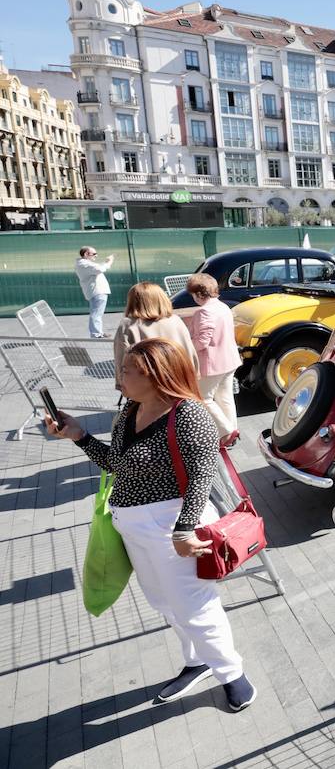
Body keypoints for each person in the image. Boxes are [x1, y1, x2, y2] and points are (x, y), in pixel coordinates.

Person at [46, 338, 258, 710]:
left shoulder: (190, 415)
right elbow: (118, 465)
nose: (119, 378)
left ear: (156, 375)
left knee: (195, 605)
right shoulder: (130, 409)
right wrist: (79, 436)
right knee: (163, 601)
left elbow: (202, 477)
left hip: (171, 524)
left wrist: (184, 530)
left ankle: (232, 674)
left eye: (127, 371)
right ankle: (197, 661)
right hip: (132, 524)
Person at [113, 282, 199, 394]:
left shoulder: (128, 325)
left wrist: (121, 384)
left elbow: (121, 357)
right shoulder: (175, 320)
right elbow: (188, 351)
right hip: (178, 382)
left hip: (146, 386)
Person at [184, 273, 240, 441]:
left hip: (213, 363)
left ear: (199, 294)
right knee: (225, 396)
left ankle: (226, 431)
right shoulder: (223, 306)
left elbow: (202, 341)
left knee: (203, 398)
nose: (192, 297)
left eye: (192, 293)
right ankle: (232, 432)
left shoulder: (204, 311)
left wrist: (185, 345)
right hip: (229, 360)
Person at [76, 246, 115, 338]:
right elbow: (100, 269)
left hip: (98, 291)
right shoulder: (83, 264)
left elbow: (100, 267)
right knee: (96, 313)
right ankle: (96, 333)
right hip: (97, 292)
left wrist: (108, 262)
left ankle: (98, 332)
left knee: (98, 313)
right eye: (94, 254)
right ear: (86, 254)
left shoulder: (86, 264)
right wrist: (109, 262)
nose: (96, 256)